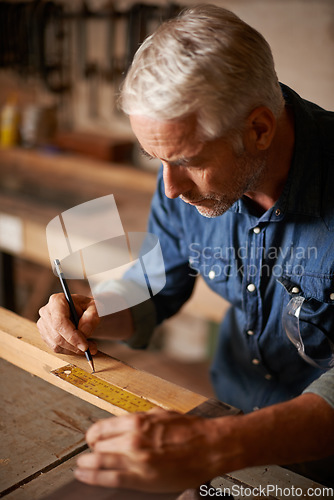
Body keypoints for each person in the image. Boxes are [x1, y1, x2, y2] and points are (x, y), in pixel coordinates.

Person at [37, 4, 334, 492]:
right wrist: (98, 311)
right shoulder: (182, 176)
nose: (169, 188)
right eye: (154, 158)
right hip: (231, 410)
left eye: (187, 161)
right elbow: (160, 277)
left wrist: (218, 445)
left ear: (259, 129)